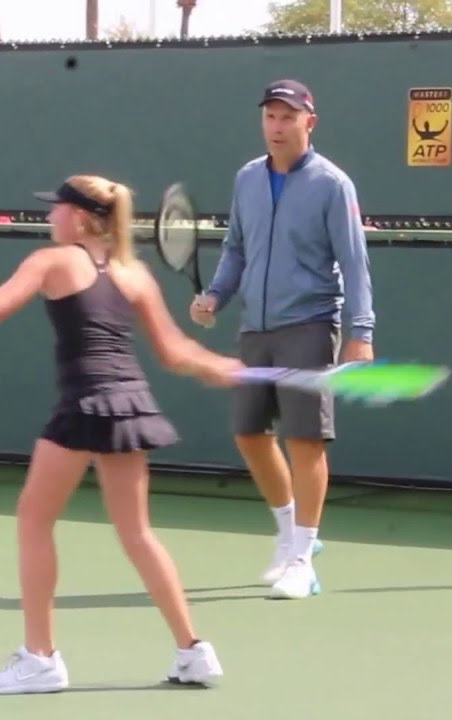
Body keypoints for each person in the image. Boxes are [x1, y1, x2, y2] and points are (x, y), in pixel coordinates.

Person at [0, 174, 240, 694]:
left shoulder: (51, 262)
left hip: (85, 404)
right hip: (130, 404)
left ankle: (40, 658)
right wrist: (216, 365)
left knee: (33, 521)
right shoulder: (135, 273)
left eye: (55, 208)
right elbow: (174, 353)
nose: (48, 215)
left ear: (79, 218)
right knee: (138, 534)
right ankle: (193, 651)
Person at [190, 79, 376, 601]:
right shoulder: (248, 178)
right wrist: (215, 296)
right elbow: (236, 248)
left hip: (311, 323)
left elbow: (354, 262)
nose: (277, 126)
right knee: (249, 433)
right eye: (270, 116)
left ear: (308, 123)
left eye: (288, 117)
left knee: (304, 440)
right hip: (256, 325)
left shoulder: (332, 184)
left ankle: (302, 561)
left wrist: (360, 333)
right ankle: (291, 533)